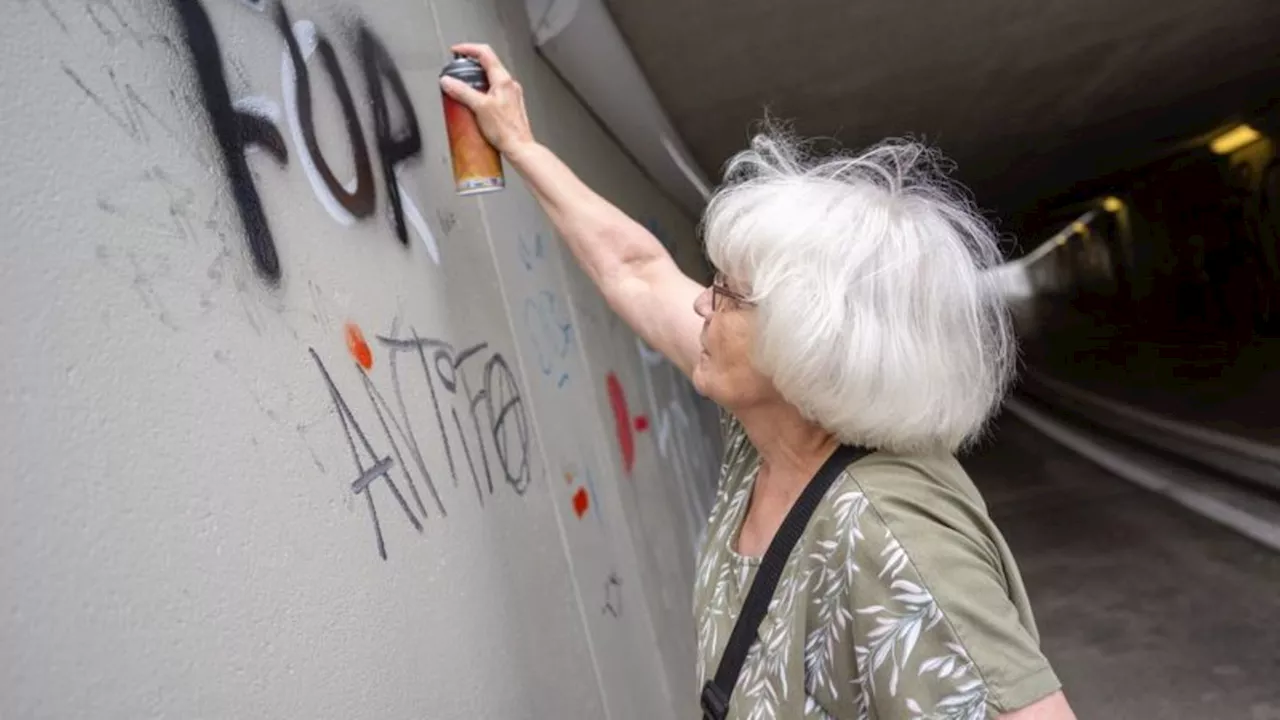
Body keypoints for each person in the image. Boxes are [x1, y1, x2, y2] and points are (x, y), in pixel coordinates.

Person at [441, 44, 1077, 720]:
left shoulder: (889, 536)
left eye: (728, 295)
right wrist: (520, 145)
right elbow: (637, 270)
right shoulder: (772, 430)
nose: (700, 304)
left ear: (811, 340)